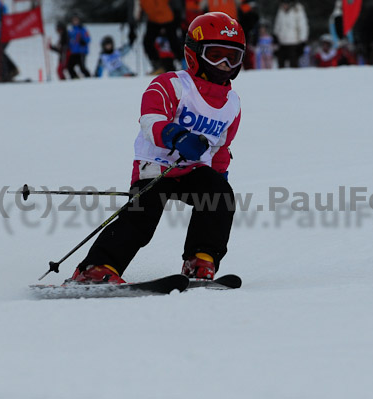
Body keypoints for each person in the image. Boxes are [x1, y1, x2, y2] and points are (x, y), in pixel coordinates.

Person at [68, 12, 245, 284]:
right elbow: (150, 120)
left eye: (232, 57)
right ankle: (96, 268)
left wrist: (220, 175)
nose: (223, 64)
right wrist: (176, 136)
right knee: (143, 216)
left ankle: (201, 260)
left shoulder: (232, 103)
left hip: (194, 171)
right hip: (156, 167)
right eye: (216, 54)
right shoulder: (172, 84)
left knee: (220, 196)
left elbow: (221, 146)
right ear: (194, 54)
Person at [140, 0, 183, 74]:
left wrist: (177, 15)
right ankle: (158, 66)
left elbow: (176, 3)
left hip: (168, 19)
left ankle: (183, 63)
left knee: (174, 43)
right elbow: (138, 8)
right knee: (147, 43)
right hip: (153, 20)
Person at [273, 0, 308, 68]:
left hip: (294, 43)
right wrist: (275, 36)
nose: (284, 6)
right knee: (280, 65)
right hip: (282, 43)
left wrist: (303, 41)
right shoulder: (280, 10)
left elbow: (303, 26)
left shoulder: (298, 10)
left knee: (294, 65)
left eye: (286, 4)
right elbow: (277, 24)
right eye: (283, 4)